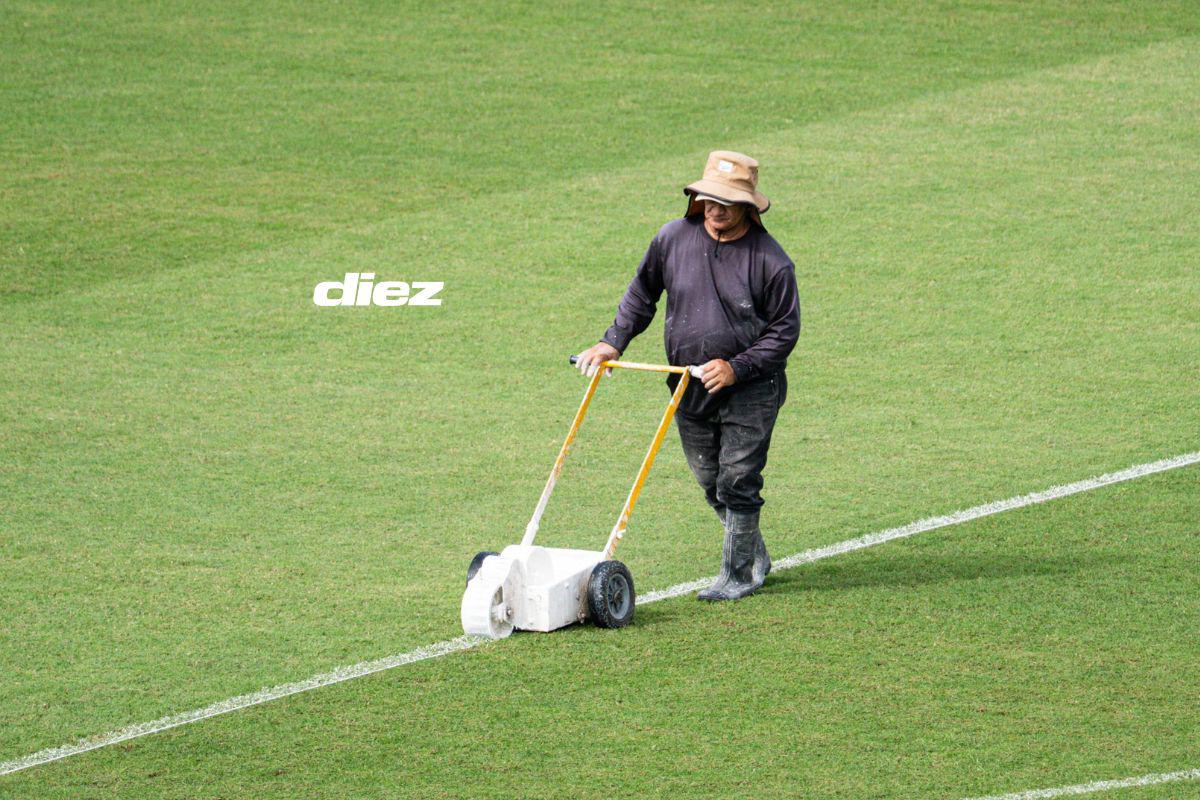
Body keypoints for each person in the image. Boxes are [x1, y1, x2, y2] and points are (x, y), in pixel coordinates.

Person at [576, 150, 800, 601]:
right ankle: (753, 556)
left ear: (747, 208)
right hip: (687, 384)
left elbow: (784, 331)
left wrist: (736, 368)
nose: (714, 208)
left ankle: (738, 575)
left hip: (750, 391)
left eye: (726, 202)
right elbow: (642, 293)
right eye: (708, 198)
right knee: (709, 481)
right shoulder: (672, 238)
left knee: (738, 479)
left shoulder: (771, 262)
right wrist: (612, 341)